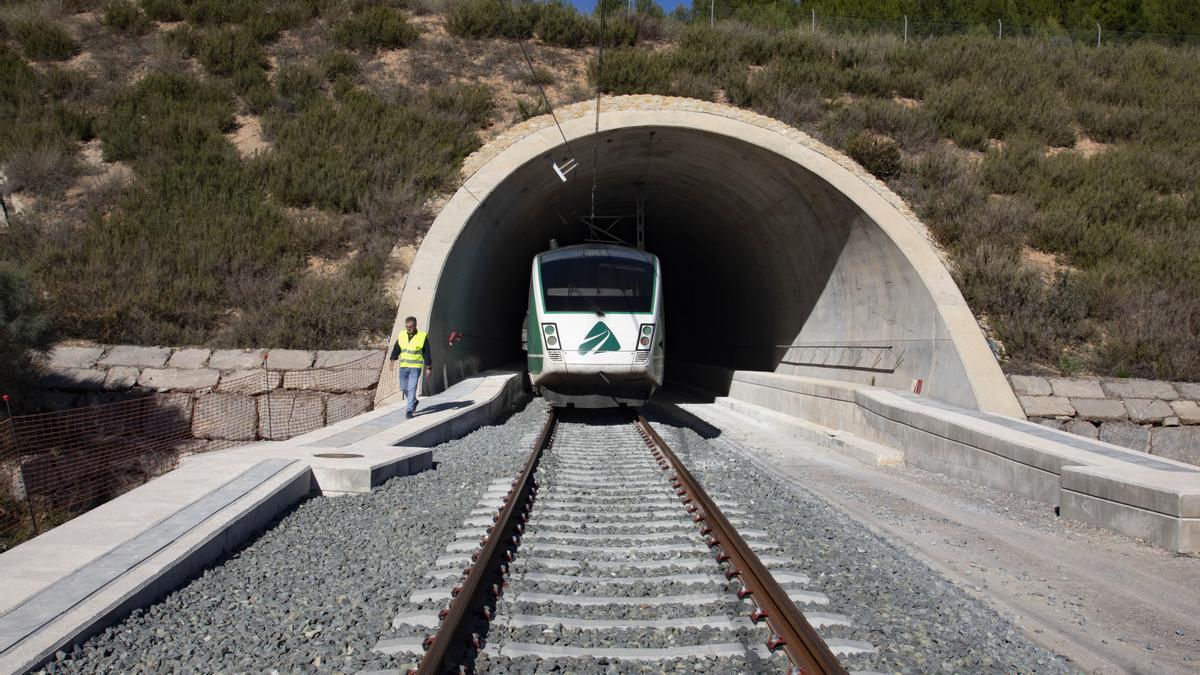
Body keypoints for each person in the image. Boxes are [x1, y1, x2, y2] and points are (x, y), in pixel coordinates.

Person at [389, 316, 432, 418]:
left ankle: (409, 410)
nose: (408, 328)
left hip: (415, 367)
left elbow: (427, 353)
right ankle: (414, 401)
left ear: (415, 326)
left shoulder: (422, 336)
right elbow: (396, 349)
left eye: (410, 326)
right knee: (403, 387)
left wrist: (428, 367)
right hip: (404, 366)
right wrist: (392, 361)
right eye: (406, 326)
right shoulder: (402, 335)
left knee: (412, 388)